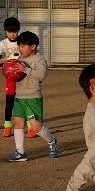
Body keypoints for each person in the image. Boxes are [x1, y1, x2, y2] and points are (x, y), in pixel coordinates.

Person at [8, 31, 60, 162]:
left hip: (33, 97)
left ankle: (52, 141)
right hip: (19, 97)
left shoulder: (40, 59)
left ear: (33, 46)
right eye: (19, 46)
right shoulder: (20, 59)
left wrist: (25, 69)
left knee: (36, 127)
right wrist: (10, 71)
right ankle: (20, 152)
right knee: (18, 123)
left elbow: (41, 75)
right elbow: (15, 74)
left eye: (23, 46)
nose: (20, 48)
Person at [0, 17, 23, 139]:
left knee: (25, 101)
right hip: (10, 76)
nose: (12, 34)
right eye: (9, 31)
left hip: (23, 75)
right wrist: (7, 59)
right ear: (5, 31)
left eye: (15, 31)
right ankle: (7, 126)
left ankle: (30, 126)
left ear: (18, 31)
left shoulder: (22, 41)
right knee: (9, 102)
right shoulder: (3, 43)